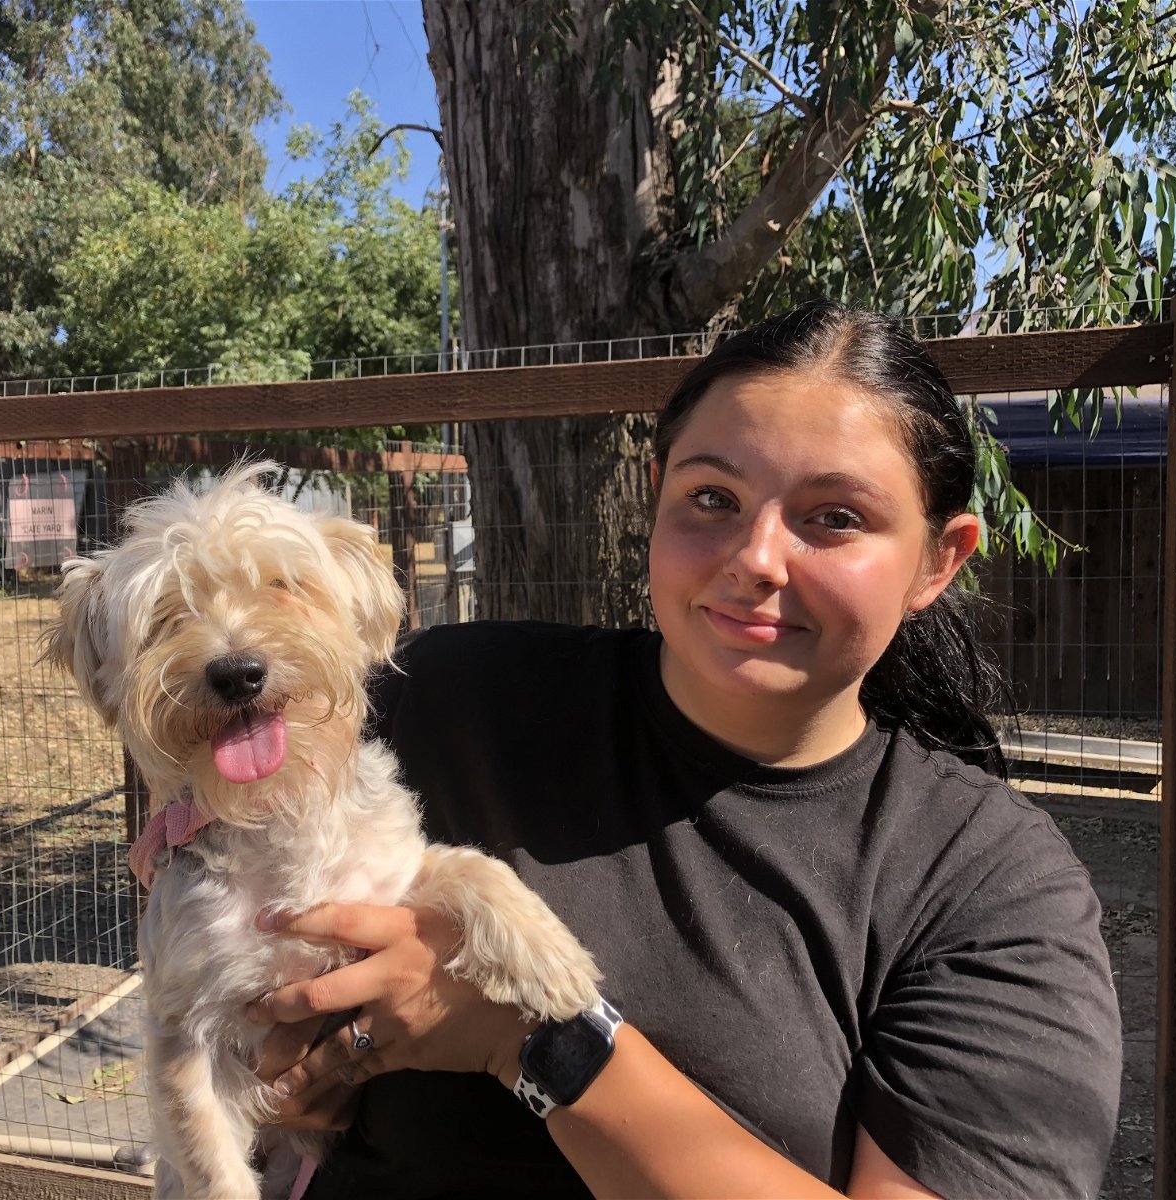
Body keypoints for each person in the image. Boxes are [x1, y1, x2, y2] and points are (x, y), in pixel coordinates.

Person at [243, 302, 1122, 1198]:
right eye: (713, 498)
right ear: (656, 493)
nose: (756, 558)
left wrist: (535, 1037)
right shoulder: (450, 696)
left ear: (941, 560)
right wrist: (195, 819)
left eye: (836, 518)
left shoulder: (988, 884)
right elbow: (238, 765)